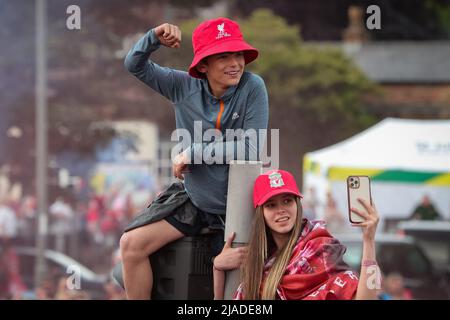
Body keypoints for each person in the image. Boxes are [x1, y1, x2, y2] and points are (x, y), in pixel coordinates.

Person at [120, 17, 268, 299]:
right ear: (203, 65)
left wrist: (192, 153)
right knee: (130, 244)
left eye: (238, 54)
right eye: (223, 56)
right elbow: (134, 64)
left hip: (238, 208)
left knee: (236, 289)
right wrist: (153, 36)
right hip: (194, 199)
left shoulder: (253, 86)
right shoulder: (181, 86)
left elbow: (250, 149)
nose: (235, 63)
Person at [213, 170, 381, 300]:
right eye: (271, 205)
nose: (281, 210)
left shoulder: (321, 249)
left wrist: (369, 240)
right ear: (261, 214)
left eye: (287, 201)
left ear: (298, 204)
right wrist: (217, 267)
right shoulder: (257, 261)